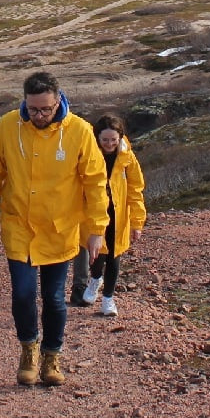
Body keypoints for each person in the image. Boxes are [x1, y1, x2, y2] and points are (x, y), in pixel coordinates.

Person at [0, 70, 107, 387]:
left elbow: (95, 181)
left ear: (58, 101)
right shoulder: (8, 126)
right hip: (18, 225)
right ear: (25, 102)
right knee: (23, 295)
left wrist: (96, 227)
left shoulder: (78, 131)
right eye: (33, 109)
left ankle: (52, 356)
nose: (39, 115)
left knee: (53, 297)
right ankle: (28, 349)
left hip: (59, 229)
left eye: (45, 109)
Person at [78, 114, 147, 318]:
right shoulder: (88, 155)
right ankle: (95, 279)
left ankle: (108, 299)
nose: (109, 144)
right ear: (97, 138)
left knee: (114, 255)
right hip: (94, 213)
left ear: (120, 138)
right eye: (105, 140)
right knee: (97, 255)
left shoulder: (127, 158)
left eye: (113, 140)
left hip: (118, 214)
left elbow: (136, 189)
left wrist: (137, 222)